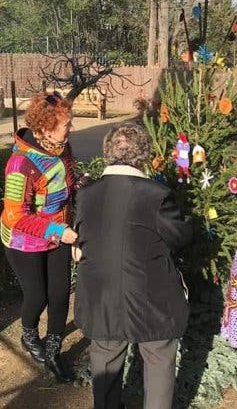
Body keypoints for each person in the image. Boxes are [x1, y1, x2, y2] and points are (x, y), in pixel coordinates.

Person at [74, 122, 192, 409]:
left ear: (108, 152)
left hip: (101, 296)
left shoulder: (86, 194)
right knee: (159, 359)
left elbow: (82, 236)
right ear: (144, 154)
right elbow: (179, 237)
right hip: (152, 299)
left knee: (105, 362)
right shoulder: (156, 195)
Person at [0, 92, 78, 383]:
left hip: (58, 233)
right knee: (38, 296)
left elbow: (64, 184)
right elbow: (16, 216)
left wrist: (80, 185)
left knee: (60, 293)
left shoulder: (62, 148)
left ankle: (54, 352)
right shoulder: (20, 164)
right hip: (24, 240)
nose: (71, 129)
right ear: (45, 129)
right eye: (66, 125)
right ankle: (29, 335)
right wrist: (59, 232)